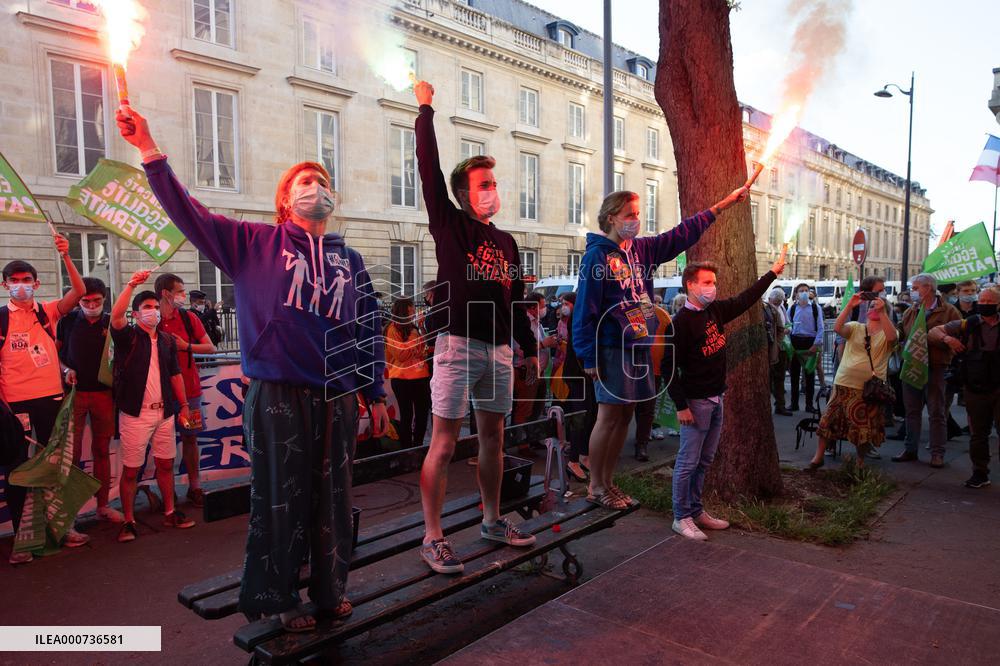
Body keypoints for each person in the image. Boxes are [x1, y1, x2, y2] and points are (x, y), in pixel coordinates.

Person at [117, 106, 387, 631]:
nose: (316, 186)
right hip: (277, 393)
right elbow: (187, 211)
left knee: (334, 498)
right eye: (305, 181)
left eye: (323, 180)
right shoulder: (251, 244)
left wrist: (374, 392)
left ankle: (331, 590)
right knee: (280, 499)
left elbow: (368, 327)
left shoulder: (349, 260)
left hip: (337, 397)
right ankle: (275, 598)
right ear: (286, 199)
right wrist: (150, 150)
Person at [413, 79, 539, 575]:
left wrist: (525, 346)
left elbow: (512, 300)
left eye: (494, 183)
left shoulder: (507, 243)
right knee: (443, 443)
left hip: (499, 350)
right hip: (458, 345)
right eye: (484, 185)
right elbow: (428, 169)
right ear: (465, 194)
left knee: (495, 440)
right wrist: (425, 110)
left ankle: (492, 519)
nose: (492, 191)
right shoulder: (449, 224)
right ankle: (433, 535)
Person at [574, 186, 749, 510]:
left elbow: (679, 235)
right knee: (609, 416)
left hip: (640, 346)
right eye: (630, 215)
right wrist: (587, 356)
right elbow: (585, 309)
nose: (636, 221)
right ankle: (595, 485)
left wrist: (721, 205)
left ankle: (610, 483)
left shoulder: (641, 251)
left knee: (626, 415)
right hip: (613, 348)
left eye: (638, 214)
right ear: (611, 217)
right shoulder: (596, 257)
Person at [667, 249, 787, 540]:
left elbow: (746, 299)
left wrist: (773, 273)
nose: (713, 287)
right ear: (691, 285)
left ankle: (696, 511)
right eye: (707, 282)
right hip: (695, 403)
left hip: (716, 397)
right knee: (688, 462)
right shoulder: (680, 323)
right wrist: (681, 406)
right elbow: (667, 368)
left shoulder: (715, 311)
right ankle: (680, 516)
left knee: (705, 460)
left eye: (714, 282)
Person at [1, 235, 86, 564]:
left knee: (57, 465)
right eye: (15, 281)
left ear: (36, 283)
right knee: (18, 470)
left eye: (26, 281)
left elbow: (78, 293)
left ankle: (65, 528)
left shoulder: (46, 311)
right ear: (5, 284)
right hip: (14, 406)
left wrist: (66, 255)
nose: (21, 286)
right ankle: (24, 541)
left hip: (51, 399)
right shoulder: (1, 318)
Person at [110, 270, 196, 543]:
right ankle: (128, 521)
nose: (153, 312)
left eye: (156, 307)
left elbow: (175, 375)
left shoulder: (168, 341)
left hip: (166, 413)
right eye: (147, 308)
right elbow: (115, 317)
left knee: (166, 464)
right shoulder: (128, 338)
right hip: (136, 415)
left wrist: (183, 405)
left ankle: (170, 511)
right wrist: (131, 284)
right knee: (132, 470)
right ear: (136, 314)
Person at [57, 277, 123, 523]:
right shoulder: (67, 321)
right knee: (70, 455)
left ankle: (103, 505)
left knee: (102, 452)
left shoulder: (112, 323)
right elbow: (54, 353)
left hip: (104, 395)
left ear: (104, 299)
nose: (91, 304)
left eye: (96, 300)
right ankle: (70, 513)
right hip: (74, 395)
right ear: (78, 300)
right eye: (85, 300)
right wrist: (65, 370)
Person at [806, 293, 897, 470]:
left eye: (877, 307)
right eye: (871, 306)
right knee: (827, 421)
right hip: (843, 383)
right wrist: (849, 306)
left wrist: (883, 312)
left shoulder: (888, 333)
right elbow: (838, 328)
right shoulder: (856, 327)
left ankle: (860, 463)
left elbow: (893, 339)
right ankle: (818, 457)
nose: (873, 309)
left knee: (861, 427)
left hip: (867, 388)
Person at [154, 273, 217, 506]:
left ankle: (195, 486)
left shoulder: (190, 318)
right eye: (179, 291)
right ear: (166, 294)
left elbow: (210, 347)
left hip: (190, 392)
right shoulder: (152, 318)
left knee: (190, 438)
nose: (183, 295)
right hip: (160, 393)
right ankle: (167, 495)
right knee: (163, 443)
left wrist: (185, 346)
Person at [928, 287, 1000, 488]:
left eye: (989, 301)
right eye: (982, 300)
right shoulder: (969, 323)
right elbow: (934, 332)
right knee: (978, 434)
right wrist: (948, 339)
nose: (985, 304)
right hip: (975, 388)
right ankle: (980, 472)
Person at [892, 273, 961, 467]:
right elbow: (901, 333)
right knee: (911, 411)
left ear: (928, 288)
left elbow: (958, 340)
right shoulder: (911, 311)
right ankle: (910, 449)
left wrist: (938, 345)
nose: (912, 292)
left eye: (915, 288)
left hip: (936, 368)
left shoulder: (949, 312)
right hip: (911, 367)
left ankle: (937, 453)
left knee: (936, 412)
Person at [552, 293, 595, 482]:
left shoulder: (582, 314)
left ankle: (584, 455)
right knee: (580, 416)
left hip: (586, 373)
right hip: (578, 373)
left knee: (591, 415)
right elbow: (579, 346)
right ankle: (573, 460)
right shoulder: (579, 316)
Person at [385, 296, 431, 449]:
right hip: (402, 378)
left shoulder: (414, 328)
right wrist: (414, 336)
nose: (413, 313)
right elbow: (401, 355)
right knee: (406, 415)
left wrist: (420, 330)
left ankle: (417, 446)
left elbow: (423, 350)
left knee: (422, 414)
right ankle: (406, 450)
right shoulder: (392, 329)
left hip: (421, 376)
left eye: (413, 311)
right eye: (410, 311)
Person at [512, 292, 556, 435]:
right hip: (526, 371)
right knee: (524, 409)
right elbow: (519, 349)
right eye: (542, 306)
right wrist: (544, 344)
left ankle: (532, 438)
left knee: (537, 408)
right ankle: (521, 443)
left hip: (540, 372)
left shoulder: (537, 322)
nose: (545, 309)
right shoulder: (522, 323)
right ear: (532, 307)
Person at [632, 300, 671, 461]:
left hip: (655, 370)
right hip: (633, 369)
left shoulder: (662, 315)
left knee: (647, 408)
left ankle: (642, 443)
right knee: (628, 407)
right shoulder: (632, 314)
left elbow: (671, 339)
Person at [787, 282, 824, 413]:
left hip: (810, 343)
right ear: (796, 294)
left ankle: (809, 405)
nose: (804, 293)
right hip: (796, 344)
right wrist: (788, 339)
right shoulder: (792, 309)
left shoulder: (815, 308)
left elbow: (820, 327)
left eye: (806, 290)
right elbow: (787, 326)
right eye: (801, 290)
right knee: (794, 376)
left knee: (809, 376)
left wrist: (816, 344)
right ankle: (794, 404)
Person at [764, 288, 792, 416]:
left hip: (780, 348)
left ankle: (780, 405)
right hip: (771, 348)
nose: (779, 302)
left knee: (779, 378)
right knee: (770, 379)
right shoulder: (766, 308)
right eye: (777, 301)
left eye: (780, 301)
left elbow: (785, 325)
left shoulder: (781, 308)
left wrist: (779, 341)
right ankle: (774, 404)